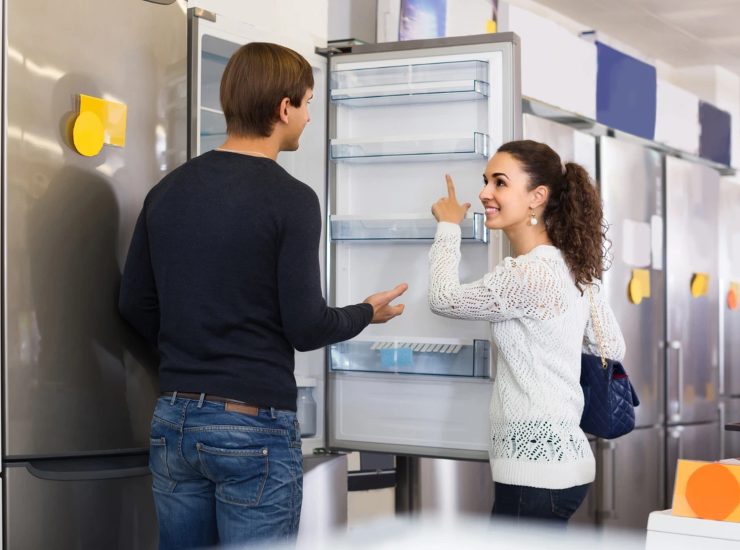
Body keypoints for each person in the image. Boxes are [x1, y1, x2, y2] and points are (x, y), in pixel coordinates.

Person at [119, 42, 407, 549]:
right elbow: (306, 326)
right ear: (283, 108)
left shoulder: (168, 190)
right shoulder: (291, 200)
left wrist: (192, 351)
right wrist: (366, 312)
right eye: (308, 103)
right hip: (251, 428)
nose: (309, 116)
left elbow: (134, 304)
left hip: (174, 421)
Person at [428, 140, 625, 523]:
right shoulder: (569, 266)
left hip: (534, 474)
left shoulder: (528, 272)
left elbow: (443, 299)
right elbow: (612, 345)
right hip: (566, 463)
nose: (485, 192)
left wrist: (448, 227)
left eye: (500, 183)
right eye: (486, 181)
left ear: (537, 197)